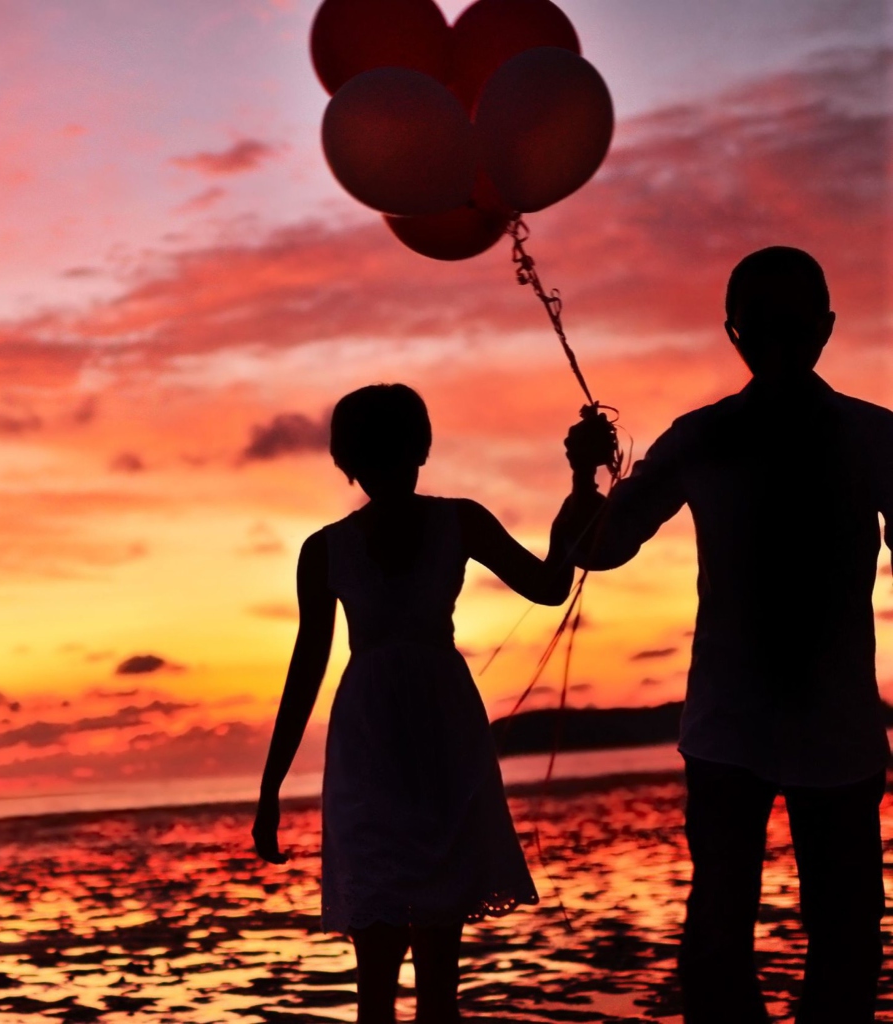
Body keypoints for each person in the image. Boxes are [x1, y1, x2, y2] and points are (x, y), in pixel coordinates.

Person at [564, 247, 892, 1023]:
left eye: (788, 325)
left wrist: (586, 483)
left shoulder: (861, 438)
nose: (775, 341)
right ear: (736, 334)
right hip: (749, 732)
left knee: (799, 936)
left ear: (823, 328)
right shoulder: (718, 439)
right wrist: (586, 479)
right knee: (751, 938)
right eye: (763, 326)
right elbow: (598, 550)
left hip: (789, 731)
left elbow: (595, 550)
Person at [253, 383, 600, 1023]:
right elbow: (304, 672)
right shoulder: (329, 548)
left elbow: (551, 586)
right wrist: (270, 787)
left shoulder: (452, 521)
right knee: (396, 960)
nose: (386, 467)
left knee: (420, 964)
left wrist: (581, 486)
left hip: (434, 737)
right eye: (377, 453)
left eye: (393, 451)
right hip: (387, 741)